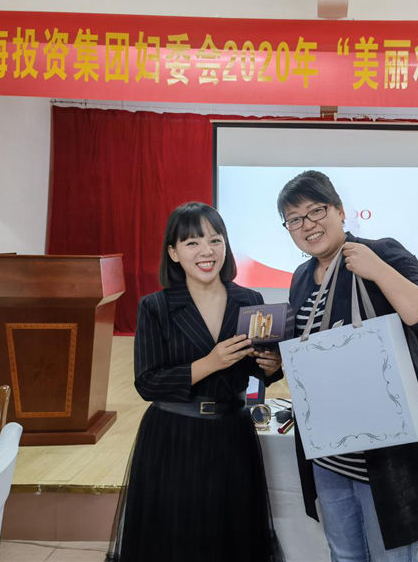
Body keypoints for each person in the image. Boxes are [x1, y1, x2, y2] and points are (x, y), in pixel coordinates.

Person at [277, 171, 418, 562]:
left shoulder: (382, 253)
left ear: (340, 211)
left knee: (392, 556)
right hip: (328, 452)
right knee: (343, 553)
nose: (307, 225)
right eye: (294, 219)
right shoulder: (302, 277)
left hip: (387, 451)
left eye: (316, 211)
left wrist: (378, 270)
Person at [106, 202, 284, 562]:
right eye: (192, 243)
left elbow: (256, 377)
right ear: (173, 253)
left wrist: (270, 368)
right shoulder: (156, 307)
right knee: (175, 538)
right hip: (174, 435)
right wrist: (208, 363)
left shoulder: (250, 300)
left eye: (215, 240)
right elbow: (148, 384)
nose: (206, 251)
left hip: (233, 434)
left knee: (232, 536)